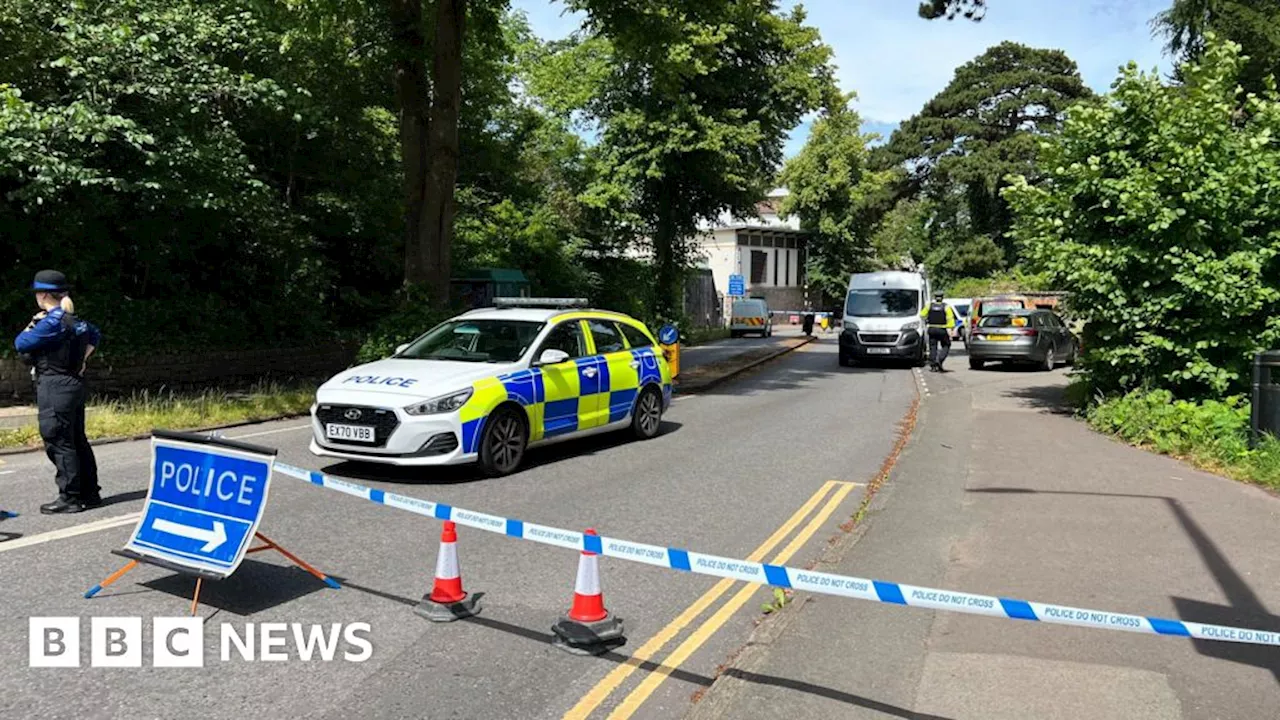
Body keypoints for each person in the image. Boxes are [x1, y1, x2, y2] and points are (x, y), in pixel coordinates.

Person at [14, 270, 103, 514]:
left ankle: (70, 498)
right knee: (77, 440)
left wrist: (33, 323)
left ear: (42, 295)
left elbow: (21, 343)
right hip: (74, 384)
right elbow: (95, 335)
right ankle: (90, 493)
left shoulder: (51, 322)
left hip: (55, 386)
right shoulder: (76, 321)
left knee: (59, 442)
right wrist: (83, 359)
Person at [919, 292, 956, 373]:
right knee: (946, 345)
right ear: (942, 297)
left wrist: (926, 320)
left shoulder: (929, 306)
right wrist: (951, 329)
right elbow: (950, 318)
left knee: (933, 347)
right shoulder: (946, 306)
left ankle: (933, 366)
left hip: (931, 329)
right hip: (942, 329)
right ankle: (939, 360)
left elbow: (921, 314)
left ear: (935, 297)